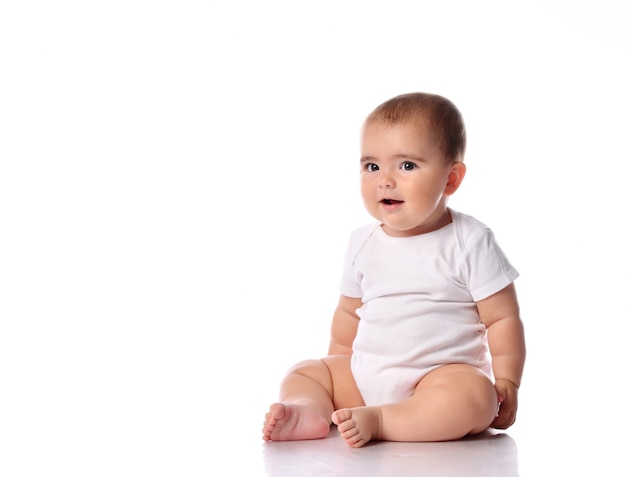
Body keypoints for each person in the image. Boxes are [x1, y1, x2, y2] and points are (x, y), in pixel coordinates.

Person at [262, 92, 526, 448]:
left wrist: (507, 383)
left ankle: (385, 420)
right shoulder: (362, 242)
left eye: (406, 166)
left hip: (437, 380)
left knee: (474, 397)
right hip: (367, 374)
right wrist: (339, 369)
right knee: (306, 372)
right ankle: (308, 411)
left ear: (451, 179)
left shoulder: (470, 241)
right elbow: (348, 314)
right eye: (372, 167)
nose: (384, 180)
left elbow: (502, 319)